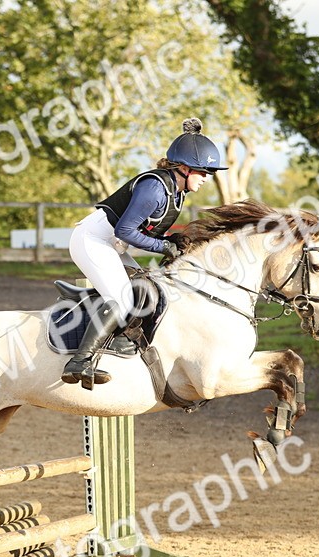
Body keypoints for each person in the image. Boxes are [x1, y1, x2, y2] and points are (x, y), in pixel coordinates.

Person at [61, 118, 226, 388]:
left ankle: (112, 342)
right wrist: (163, 246)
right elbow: (126, 230)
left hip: (110, 243)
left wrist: (170, 240)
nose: (207, 178)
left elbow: (143, 230)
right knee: (122, 298)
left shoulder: (176, 192)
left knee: (144, 286)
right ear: (184, 168)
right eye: (202, 171)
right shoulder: (156, 187)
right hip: (92, 240)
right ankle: (80, 361)